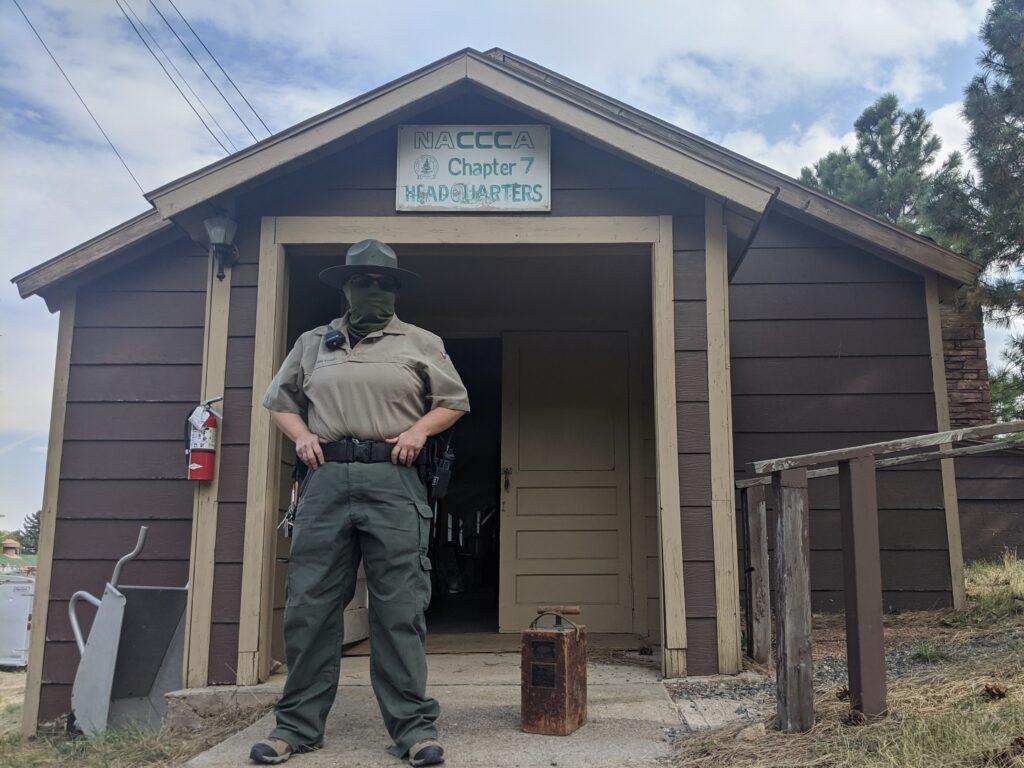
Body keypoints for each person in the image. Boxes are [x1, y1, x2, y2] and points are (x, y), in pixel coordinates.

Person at [249, 239, 469, 766]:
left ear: (395, 290)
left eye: (384, 283)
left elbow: (453, 402)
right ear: (345, 287)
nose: (373, 290)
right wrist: (300, 436)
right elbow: (280, 402)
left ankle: (414, 729)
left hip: (393, 477)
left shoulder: (421, 341)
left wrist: (418, 430)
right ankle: (296, 726)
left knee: (399, 609)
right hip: (324, 479)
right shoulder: (311, 343)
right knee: (309, 606)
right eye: (363, 282)